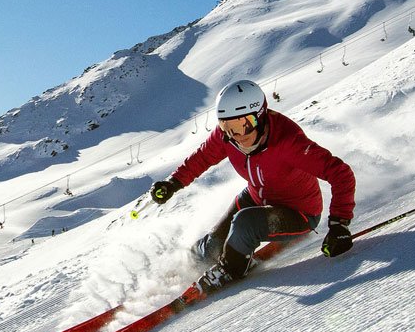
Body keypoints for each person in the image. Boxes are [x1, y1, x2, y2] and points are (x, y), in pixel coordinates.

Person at [148, 79, 357, 292]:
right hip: (257, 197)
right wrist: (173, 183)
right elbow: (202, 158)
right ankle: (190, 262)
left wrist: (339, 224)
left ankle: (230, 269)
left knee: (244, 223)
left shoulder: (288, 142)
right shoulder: (226, 138)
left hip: (298, 213)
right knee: (214, 245)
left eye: (242, 125)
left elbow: (341, 174)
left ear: (260, 115)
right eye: (227, 126)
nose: (236, 136)